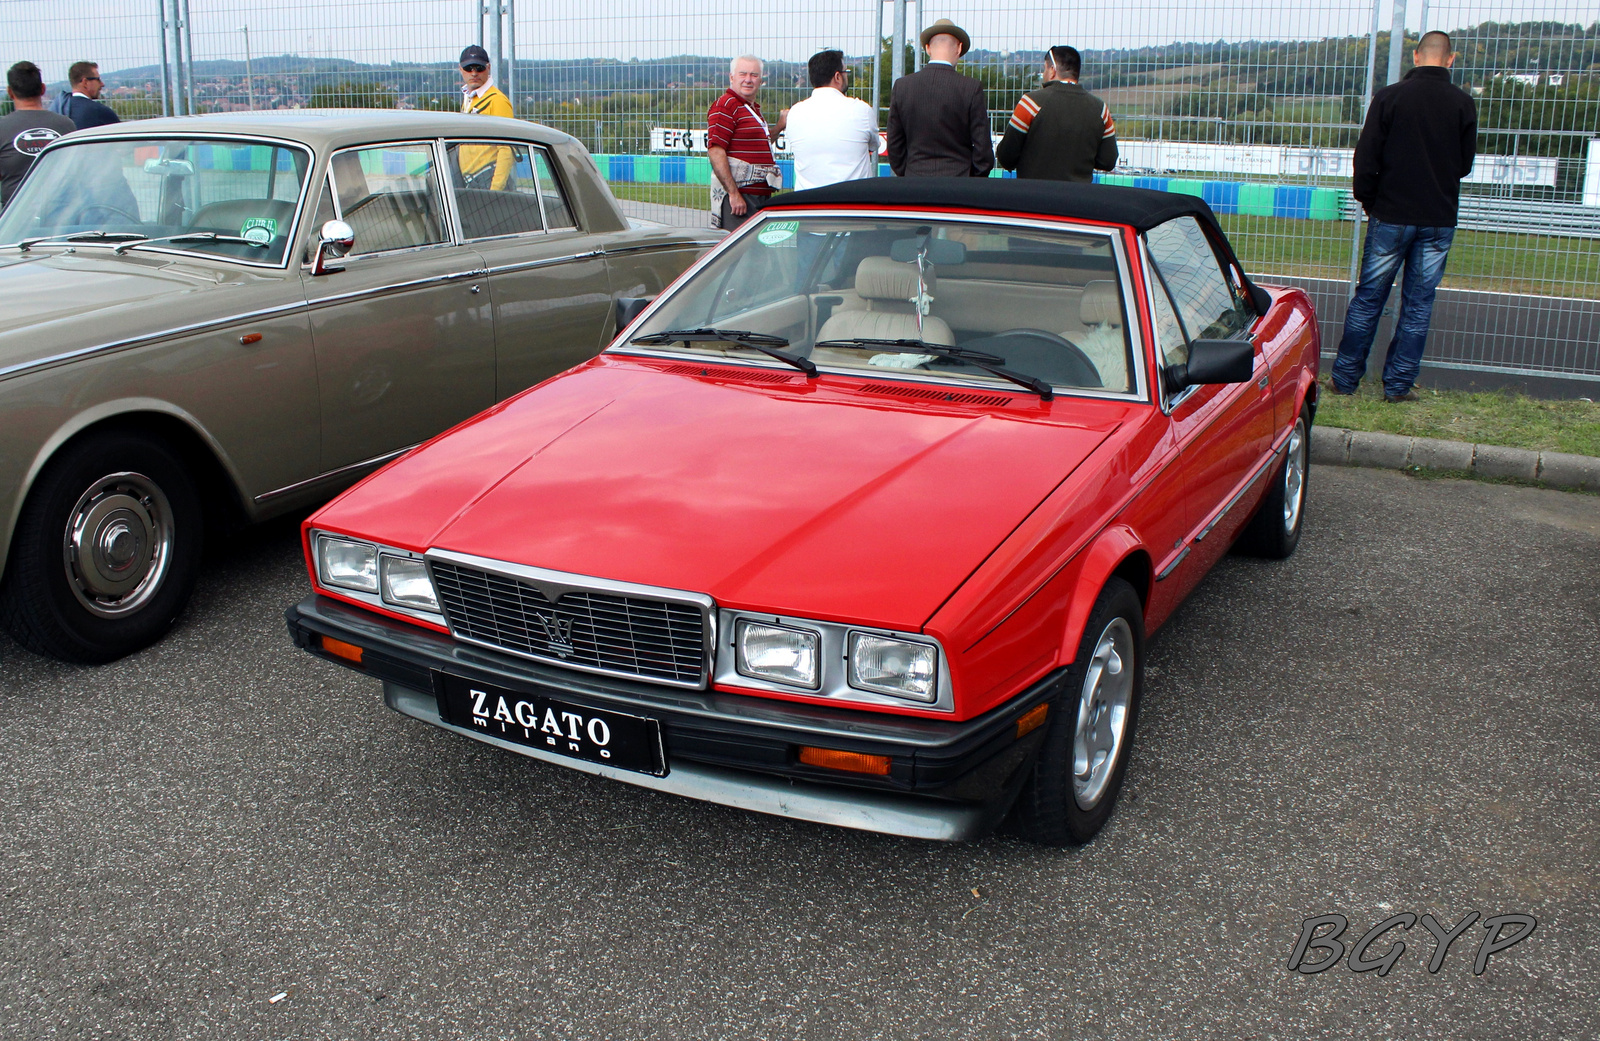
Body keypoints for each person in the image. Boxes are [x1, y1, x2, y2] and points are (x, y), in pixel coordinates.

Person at [1330, 30, 1477, 403]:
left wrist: (1369, 200)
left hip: (1391, 214)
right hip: (1438, 218)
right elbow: (1464, 166)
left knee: (1368, 300)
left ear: (1415, 56)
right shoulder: (1463, 104)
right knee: (1418, 304)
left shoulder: (1389, 97)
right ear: (1450, 59)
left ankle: (1345, 380)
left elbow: (1366, 158)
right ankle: (1397, 387)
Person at [885, 19, 993, 178]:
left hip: (914, 180)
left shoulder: (902, 86)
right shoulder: (971, 88)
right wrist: (972, 178)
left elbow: (894, 144)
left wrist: (907, 172)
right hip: (959, 182)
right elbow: (982, 148)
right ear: (959, 48)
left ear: (928, 48)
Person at [995, 45, 1117, 183]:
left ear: (1052, 70)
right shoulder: (1100, 109)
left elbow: (1006, 156)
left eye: (1044, 68)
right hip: (1079, 198)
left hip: (1034, 196)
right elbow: (1108, 160)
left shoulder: (1030, 103)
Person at [784, 49, 880, 190]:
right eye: (845, 72)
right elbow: (873, 145)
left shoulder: (794, 113)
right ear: (837, 77)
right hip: (853, 203)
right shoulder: (861, 110)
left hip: (807, 204)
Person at [707, 55, 783, 230]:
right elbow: (716, 150)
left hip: (758, 195)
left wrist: (779, 126)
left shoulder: (749, 108)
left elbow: (762, 143)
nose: (748, 80)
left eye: (754, 75)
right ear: (731, 77)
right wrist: (734, 194)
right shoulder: (726, 105)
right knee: (743, 253)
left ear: (761, 80)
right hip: (742, 196)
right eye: (743, 74)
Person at [1, 61, 76, 207]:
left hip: (16, 215)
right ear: (42, 89)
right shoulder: (67, 125)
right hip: (62, 214)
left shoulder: (2, 127)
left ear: (10, 92)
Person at [456, 44, 514, 190]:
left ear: (488, 68)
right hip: (472, 180)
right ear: (460, 70)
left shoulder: (497, 100)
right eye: (469, 68)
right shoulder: (469, 99)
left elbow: (506, 148)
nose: (474, 73)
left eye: (479, 68)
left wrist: (495, 190)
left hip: (488, 178)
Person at [51, 62, 120, 129]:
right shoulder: (100, 112)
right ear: (85, 82)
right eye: (98, 80)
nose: (102, 84)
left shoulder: (57, 109)